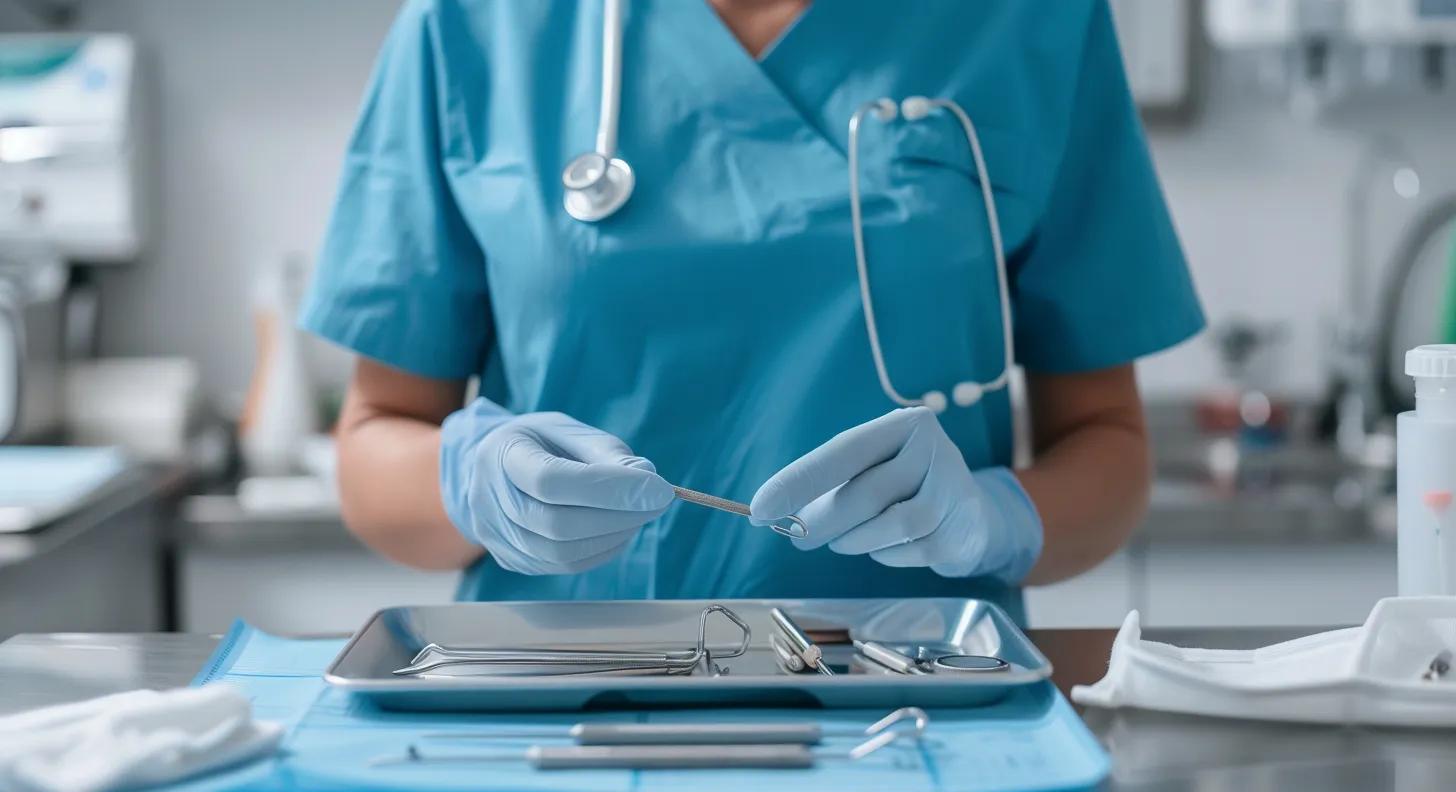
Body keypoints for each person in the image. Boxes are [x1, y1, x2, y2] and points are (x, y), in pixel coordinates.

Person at [300, 0, 1204, 621]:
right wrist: (472, 481)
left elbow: (1107, 443)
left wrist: (1000, 520)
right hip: (559, 700)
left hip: (916, 703)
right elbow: (376, 443)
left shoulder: (1028, 20)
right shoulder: (477, 24)